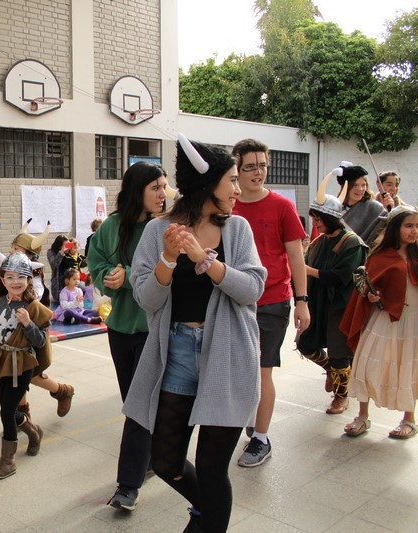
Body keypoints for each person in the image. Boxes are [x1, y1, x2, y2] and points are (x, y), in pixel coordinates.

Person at [124, 134, 266, 532]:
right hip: (178, 354)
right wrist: (169, 258)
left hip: (228, 354)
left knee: (211, 467)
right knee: (165, 461)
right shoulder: (158, 231)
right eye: (232, 180)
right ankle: (208, 513)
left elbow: (252, 289)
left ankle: (208, 521)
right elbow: (147, 299)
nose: (238, 189)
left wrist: (205, 260)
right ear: (208, 184)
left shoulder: (237, 229)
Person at [88, 160, 171, 511]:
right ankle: (148, 457)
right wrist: (110, 275)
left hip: (153, 329)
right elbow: (95, 262)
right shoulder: (112, 226)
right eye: (156, 187)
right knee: (133, 401)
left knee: (138, 408)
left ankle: (127, 486)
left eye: (164, 186)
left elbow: (168, 273)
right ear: (138, 191)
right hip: (120, 327)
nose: (163, 194)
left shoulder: (165, 227)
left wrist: (131, 277)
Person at [231, 139, 311, 468]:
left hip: (272, 302)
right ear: (236, 169)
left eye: (263, 165)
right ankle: (252, 419)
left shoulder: (282, 206)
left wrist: (302, 301)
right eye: (250, 166)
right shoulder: (226, 206)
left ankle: (261, 439)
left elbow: (296, 257)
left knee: (263, 371)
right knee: (239, 371)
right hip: (234, 302)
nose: (258, 172)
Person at [0, 253, 52, 480]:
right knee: (9, 410)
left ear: (29, 279)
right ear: (2, 279)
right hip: (3, 364)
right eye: (10, 277)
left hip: (23, 364)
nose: (15, 281)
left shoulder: (34, 307)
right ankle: (34, 432)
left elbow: (40, 342)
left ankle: (8, 461)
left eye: (20, 277)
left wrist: (28, 323)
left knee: (6, 412)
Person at [340, 206, 418, 439]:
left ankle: (409, 419)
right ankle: (362, 416)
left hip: (413, 322)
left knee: (410, 368)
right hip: (384, 319)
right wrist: (371, 295)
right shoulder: (379, 257)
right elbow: (366, 287)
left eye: (417, 226)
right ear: (395, 228)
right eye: (408, 225)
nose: (414, 231)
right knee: (367, 364)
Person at [297, 170, 368, 415]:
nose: (316, 224)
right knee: (305, 344)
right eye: (314, 219)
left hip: (340, 306)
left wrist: (307, 269)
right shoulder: (319, 242)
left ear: (331, 218)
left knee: (339, 354)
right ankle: (329, 369)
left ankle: (341, 397)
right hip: (318, 303)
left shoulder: (351, 242)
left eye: (319, 219)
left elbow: (341, 277)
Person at [6, 222, 75, 417]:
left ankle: (62, 391)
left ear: (29, 256)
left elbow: (31, 300)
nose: (11, 252)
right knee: (16, 371)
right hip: (14, 330)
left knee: (29, 373)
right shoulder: (11, 273)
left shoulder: (34, 278)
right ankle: (23, 412)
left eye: (16, 249)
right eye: (12, 248)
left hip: (32, 331)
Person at [337, 162, 387, 246]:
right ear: (346, 186)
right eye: (355, 185)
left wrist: (390, 210)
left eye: (363, 185)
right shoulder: (336, 208)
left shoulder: (374, 207)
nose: (360, 189)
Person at [47, 235, 68, 302]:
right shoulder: (50, 252)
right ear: (59, 246)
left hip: (69, 281)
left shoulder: (69, 252)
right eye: (65, 245)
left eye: (68, 244)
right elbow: (54, 265)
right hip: (58, 284)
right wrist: (62, 252)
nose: (67, 247)